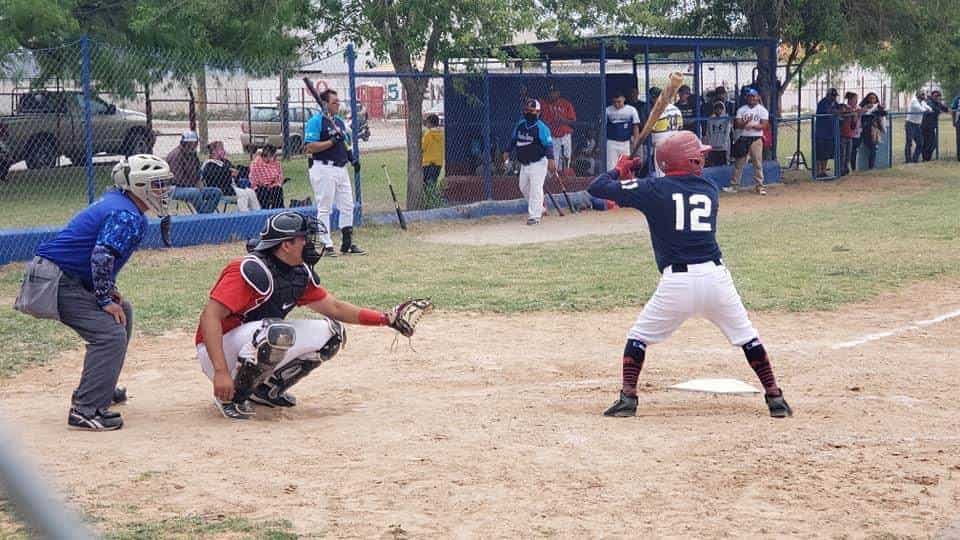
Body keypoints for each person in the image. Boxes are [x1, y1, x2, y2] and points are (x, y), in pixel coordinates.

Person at [585, 132, 792, 419]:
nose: (703, 159)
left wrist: (620, 170)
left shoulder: (653, 189)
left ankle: (628, 398)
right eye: (698, 155)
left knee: (638, 337)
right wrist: (636, 177)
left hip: (676, 284)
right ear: (689, 160)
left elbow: (598, 187)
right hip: (716, 279)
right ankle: (775, 398)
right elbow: (670, 189)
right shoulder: (709, 187)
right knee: (748, 338)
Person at [195, 211, 431, 419]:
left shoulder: (298, 272)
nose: (311, 244)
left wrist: (386, 318)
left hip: (252, 340)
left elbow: (335, 308)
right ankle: (232, 397)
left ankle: (265, 390)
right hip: (216, 351)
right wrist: (221, 372)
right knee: (277, 332)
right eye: (304, 239)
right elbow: (210, 317)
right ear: (286, 245)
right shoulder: (248, 269)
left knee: (332, 334)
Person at [14, 155, 174, 431]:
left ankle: (101, 388)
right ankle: (86, 409)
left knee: (123, 313)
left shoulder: (119, 204)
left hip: (61, 276)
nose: (164, 190)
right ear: (138, 185)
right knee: (109, 335)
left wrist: (108, 291)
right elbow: (101, 255)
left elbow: (97, 255)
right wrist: (102, 297)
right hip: (56, 280)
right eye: (157, 184)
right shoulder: (125, 213)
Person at [303, 89, 365, 256]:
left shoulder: (338, 121)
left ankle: (347, 243)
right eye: (334, 102)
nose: (338, 104)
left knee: (347, 205)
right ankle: (326, 244)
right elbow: (310, 146)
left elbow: (345, 143)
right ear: (325, 104)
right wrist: (331, 141)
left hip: (340, 167)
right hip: (323, 167)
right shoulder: (316, 122)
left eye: (338, 101)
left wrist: (352, 158)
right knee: (325, 207)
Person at [502, 99, 556, 226]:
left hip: (538, 163)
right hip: (524, 164)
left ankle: (534, 216)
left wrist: (551, 160)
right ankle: (540, 207)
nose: (529, 112)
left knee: (536, 189)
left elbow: (548, 145)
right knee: (523, 187)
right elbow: (513, 140)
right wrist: (507, 151)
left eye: (532, 111)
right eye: (527, 110)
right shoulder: (521, 125)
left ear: (538, 112)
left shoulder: (541, 128)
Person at [166, 131, 222, 213]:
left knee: (216, 192)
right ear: (184, 142)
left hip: (192, 187)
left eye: (195, 143)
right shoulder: (176, 155)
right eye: (190, 143)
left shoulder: (192, 153)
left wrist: (198, 181)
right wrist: (194, 185)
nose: (193, 145)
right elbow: (177, 180)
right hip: (174, 188)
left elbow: (197, 172)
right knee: (195, 192)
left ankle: (206, 215)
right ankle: (205, 216)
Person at [729, 88, 769, 195]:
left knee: (757, 163)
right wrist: (744, 123)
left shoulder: (762, 110)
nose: (752, 98)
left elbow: (765, 125)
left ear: (757, 97)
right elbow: (737, 124)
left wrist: (754, 125)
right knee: (739, 163)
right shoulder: (742, 110)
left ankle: (760, 186)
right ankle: (734, 185)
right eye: (750, 97)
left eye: (753, 96)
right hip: (744, 137)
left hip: (756, 138)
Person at [199, 141, 259, 212]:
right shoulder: (209, 164)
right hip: (221, 190)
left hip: (233, 188)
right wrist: (228, 173)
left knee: (251, 192)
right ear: (214, 151)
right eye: (221, 149)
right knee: (244, 194)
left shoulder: (225, 161)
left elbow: (236, 171)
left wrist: (236, 173)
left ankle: (256, 214)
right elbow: (214, 179)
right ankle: (243, 216)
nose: (224, 151)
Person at [644, 86, 684, 177]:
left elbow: (651, 129)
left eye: (654, 98)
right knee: (674, 169)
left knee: (661, 172)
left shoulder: (656, 110)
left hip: (661, 145)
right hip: (675, 143)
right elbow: (681, 127)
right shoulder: (676, 109)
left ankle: (664, 190)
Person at [540, 84, 577, 168]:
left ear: (558, 93)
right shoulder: (544, 104)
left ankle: (564, 179)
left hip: (565, 135)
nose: (551, 94)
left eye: (554, 92)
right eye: (550, 92)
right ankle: (553, 180)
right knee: (554, 161)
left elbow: (573, 121)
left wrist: (563, 120)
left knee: (566, 159)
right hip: (553, 137)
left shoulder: (566, 104)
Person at [605, 92, 641, 172]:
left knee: (625, 166)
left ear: (624, 99)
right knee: (611, 166)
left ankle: (624, 183)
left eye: (619, 102)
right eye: (614, 102)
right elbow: (602, 127)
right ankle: (611, 183)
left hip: (625, 142)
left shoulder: (631, 110)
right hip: (612, 142)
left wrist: (636, 141)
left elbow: (635, 126)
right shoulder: (607, 110)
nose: (617, 104)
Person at [814, 89, 840, 178]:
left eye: (835, 96)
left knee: (826, 153)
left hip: (830, 132)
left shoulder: (835, 103)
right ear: (828, 95)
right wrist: (834, 111)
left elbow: (839, 110)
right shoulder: (822, 103)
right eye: (832, 96)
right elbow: (828, 112)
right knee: (819, 153)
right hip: (821, 132)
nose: (834, 98)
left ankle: (823, 171)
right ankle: (817, 172)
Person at [250, 144, 285, 209]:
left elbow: (279, 176)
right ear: (269, 154)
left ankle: (277, 212)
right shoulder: (256, 163)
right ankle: (264, 212)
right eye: (273, 155)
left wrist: (276, 183)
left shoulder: (275, 163)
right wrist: (266, 184)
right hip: (260, 187)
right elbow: (255, 179)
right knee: (263, 192)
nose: (275, 157)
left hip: (273, 185)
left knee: (278, 190)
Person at [421, 113, 445, 204]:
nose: (426, 124)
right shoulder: (441, 134)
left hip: (428, 163)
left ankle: (427, 201)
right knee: (433, 182)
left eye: (427, 122)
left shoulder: (428, 134)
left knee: (426, 183)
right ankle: (432, 199)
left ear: (430, 123)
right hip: (438, 162)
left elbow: (423, 147)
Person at [859, 93, 886, 170]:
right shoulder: (863, 107)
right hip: (865, 131)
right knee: (871, 147)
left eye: (874, 98)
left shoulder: (877, 107)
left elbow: (884, 114)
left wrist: (881, 108)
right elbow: (861, 114)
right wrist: (865, 108)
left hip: (875, 130)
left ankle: (871, 166)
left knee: (873, 148)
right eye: (870, 98)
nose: (872, 100)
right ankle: (869, 166)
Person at [838, 92, 862, 176]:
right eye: (854, 99)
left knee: (848, 154)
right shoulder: (843, 107)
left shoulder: (855, 109)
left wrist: (855, 116)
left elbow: (853, 125)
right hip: (842, 134)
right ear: (850, 99)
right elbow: (841, 114)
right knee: (842, 154)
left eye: (856, 99)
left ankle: (845, 169)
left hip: (850, 134)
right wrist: (851, 113)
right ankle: (840, 170)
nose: (856, 101)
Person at [921, 90, 948, 162]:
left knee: (932, 144)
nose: (937, 98)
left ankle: (927, 158)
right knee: (928, 143)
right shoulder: (929, 102)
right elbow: (934, 109)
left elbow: (945, 109)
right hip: (925, 126)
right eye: (936, 96)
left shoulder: (937, 103)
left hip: (931, 126)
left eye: (938, 96)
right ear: (932, 96)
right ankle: (925, 159)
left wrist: (946, 108)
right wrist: (940, 109)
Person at [905, 90, 931, 164]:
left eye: (924, 94)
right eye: (922, 94)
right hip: (910, 124)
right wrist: (926, 110)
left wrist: (927, 109)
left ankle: (914, 159)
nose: (924, 96)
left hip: (917, 125)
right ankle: (908, 160)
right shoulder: (914, 101)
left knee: (920, 143)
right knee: (909, 142)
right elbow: (921, 110)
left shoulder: (922, 102)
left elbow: (929, 108)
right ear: (918, 95)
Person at [703, 101, 731, 167]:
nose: (719, 110)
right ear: (714, 109)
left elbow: (727, 133)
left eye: (720, 108)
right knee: (713, 165)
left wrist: (724, 143)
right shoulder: (710, 119)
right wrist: (709, 143)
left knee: (723, 165)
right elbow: (708, 132)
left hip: (723, 147)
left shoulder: (726, 119)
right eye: (717, 108)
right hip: (713, 147)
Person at [952, 91, 960, 161]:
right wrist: (954, 121)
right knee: (959, 139)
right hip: (959, 121)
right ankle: (959, 156)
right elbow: (953, 110)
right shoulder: (957, 99)